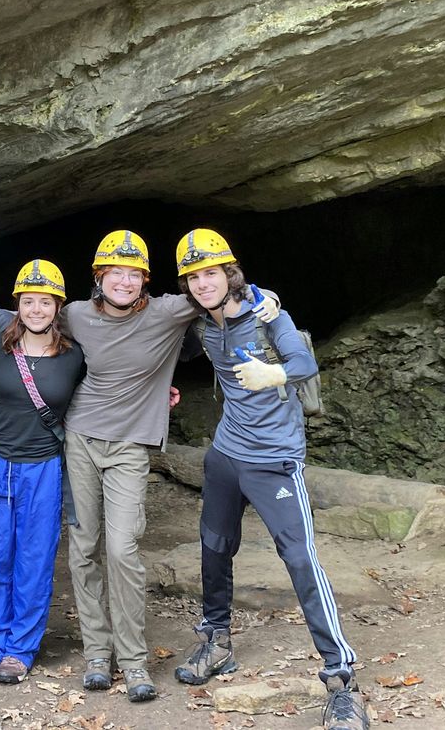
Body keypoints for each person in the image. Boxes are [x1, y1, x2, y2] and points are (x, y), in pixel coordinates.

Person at [61, 230, 280, 703]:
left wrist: (267, 298)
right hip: (80, 436)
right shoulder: (75, 314)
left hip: (131, 446)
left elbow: (222, 290)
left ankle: (134, 660)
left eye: (133, 272)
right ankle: (98, 653)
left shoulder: (168, 310)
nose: (124, 280)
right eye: (114, 271)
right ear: (99, 277)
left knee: (121, 548)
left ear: (145, 279)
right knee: (83, 545)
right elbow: (31, 324)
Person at [172, 229, 368, 730]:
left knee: (300, 559)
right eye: (193, 277)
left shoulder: (267, 314)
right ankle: (216, 641)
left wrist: (274, 374)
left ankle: (341, 678)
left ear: (229, 273)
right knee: (214, 547)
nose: (202, 283)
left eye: (210, 273)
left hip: (275, 460)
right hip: (225, 456)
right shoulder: (201, 323)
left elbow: (304, 362)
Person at [0, 260, 85, 685]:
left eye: (46, 301)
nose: (37, 309)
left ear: (59, 305)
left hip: (43, 466)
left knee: (34, 558)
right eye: (29, 301)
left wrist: (160, 391)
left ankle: (19, 648)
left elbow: (114, 382)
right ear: (17, 304)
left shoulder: (74, 356)